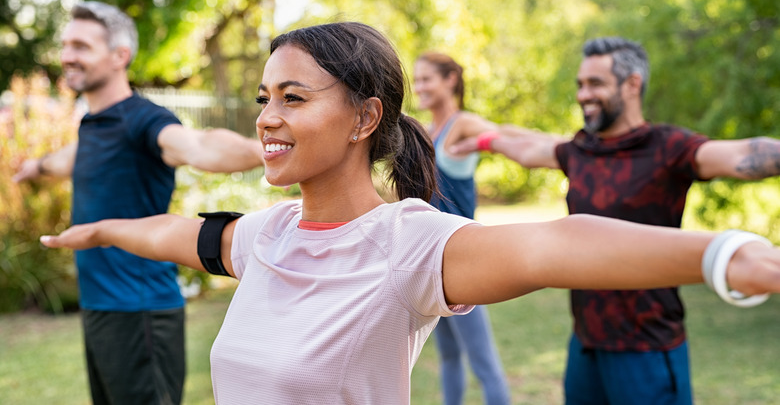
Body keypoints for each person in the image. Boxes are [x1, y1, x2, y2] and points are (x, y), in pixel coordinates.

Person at [38, 23, 780, 405]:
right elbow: (182, 235)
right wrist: (103, 230)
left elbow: (556, 244)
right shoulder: (269, 234)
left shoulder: (408, 244)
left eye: (293, 98)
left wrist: (723, 255)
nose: (266, 117)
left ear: (364, 119)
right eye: (265, 97)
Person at [451, 36, 780, 405]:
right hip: (586, 345)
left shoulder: (668, 148)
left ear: (632, 84)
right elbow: (529, 148)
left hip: (647, 349)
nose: (583, 94)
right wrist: (483, 141)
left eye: (595, 83)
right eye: (580, 84)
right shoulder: (580, 149)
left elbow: (740, 154)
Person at [13, 1, 264, 405]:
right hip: (100, 308)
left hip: (140, 311)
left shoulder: (143, 121)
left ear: (120, 56)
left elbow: (197, 146)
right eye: (66, 45)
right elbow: (69, 159)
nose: (67, 56)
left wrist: (269, 151)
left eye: (81, 46)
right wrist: (34, 167)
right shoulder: (94, 125)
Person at [413, 52, 510, 405]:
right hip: (431, 263)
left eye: (426, 79)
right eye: (417, 80)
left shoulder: (463, 124)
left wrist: (481, 143)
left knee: (483, 364)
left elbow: (505, 137)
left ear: (450, 80)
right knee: (450, 358)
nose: (419, 87)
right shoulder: (425, 133)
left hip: (463, 262)